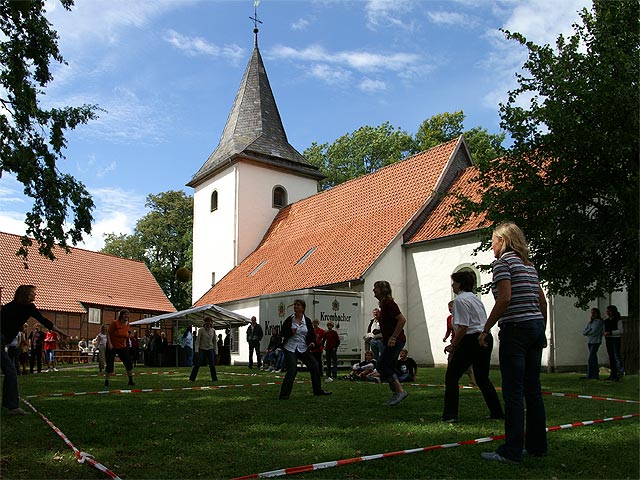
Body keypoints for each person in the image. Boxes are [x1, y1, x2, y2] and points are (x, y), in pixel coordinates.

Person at [479, 222, 547, 465]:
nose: (492, 246)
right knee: (533, 391)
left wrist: (486, 328)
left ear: (503, 241)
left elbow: (505, 297)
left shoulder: (502, 264)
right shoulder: (529, 266)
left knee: (514, 392)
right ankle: (538, 446)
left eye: (494, 241)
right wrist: (543, 330)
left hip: (516, 331)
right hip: (535, 327)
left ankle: (512, 450)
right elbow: (542, 302)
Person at [442, 271, 503, 423]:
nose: (452, 285)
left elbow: (463, 326)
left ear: (460, 284)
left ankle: (450, 415)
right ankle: (496, 411)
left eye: (454, 282)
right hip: (484, 337)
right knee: (482, 378)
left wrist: (453, 345)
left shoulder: (460, 301)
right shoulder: (475, 299)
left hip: (470, 339)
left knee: (452, 377)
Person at [0, 285, 68, 415]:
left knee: (10, 371)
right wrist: (61, 332)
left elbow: (44, 321)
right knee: (11, 371)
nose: (35, 295)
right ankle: (12, 407)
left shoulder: (10, 306)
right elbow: (44, 320)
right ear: (26, 294)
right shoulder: (25, 308)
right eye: (33, 293)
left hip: (2, 341)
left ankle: (11, 405)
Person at [278, 299, 332, 399]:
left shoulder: (307, 321)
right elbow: (282, 333)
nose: (295, 307)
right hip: (290, 348)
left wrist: (312, 342)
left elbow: (311, 334)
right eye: (294, 305)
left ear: (303, 308)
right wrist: (290, 331)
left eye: (298, 305)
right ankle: (284, 394)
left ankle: (317, 390)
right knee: (292, 370)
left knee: (315, 366)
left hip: (303, 347)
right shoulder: (289, 320)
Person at [373, 280, 409, 406]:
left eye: (376, 288)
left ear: (383, 290)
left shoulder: (389, 304)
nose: (374, 290)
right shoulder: (383, 305)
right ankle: (395, 394)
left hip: (396, 341)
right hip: (389, 340)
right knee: (388, 366)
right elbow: (390, 322)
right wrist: (380, 330)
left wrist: (393, 337)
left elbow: (401, 320)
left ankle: (400, 391)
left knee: (382, 365)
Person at [444, 300, 476, 386]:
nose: (450, 309)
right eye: (449, 307)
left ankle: (472, 380)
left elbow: (463, 328)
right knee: (451, 360)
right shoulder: (449, 318)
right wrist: (445, 337)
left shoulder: (462, 317)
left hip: (462, 341)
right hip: (453, 341)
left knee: (465, 361)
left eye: (452, 307)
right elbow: (448, 330)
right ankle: (451, 380)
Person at [104, 309, 136, 387]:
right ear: (121, 315)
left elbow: (125, 335)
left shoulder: (127, 325)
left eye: (127, 314)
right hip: (112, 346)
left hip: (122, 346)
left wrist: (126, 342)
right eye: (124, 314)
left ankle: (131, 380)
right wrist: (109, 344)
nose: (126, 316)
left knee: (128, 362)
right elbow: (108, 333)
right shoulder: (115, 323)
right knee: (110, 363)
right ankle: (107, 381)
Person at [189, 316, 218, 382]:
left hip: (210, 348)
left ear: (211, 323)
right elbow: (198, 341)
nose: (208, 323)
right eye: (206, 322)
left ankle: (214, 379)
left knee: (212, 364)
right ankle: (192, 378)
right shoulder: (201, 330)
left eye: (209, 322)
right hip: (202, 348)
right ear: (204, 323)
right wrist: (196, 350)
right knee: (197, 364)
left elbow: (214, 342)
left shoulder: (213, 331)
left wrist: (216, 352)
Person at [581, 308, 604, 380]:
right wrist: (589, 330)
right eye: (592, 313)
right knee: (593, 358)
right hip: (590, 341)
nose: (593, 314)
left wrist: (589, 331)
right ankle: (594, 375)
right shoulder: (591, 322)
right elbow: (584, 332)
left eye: (594, 313)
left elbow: (594, 332)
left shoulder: (599, 322)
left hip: (596, 341)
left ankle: (590, 375)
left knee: (591, 358)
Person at [603, 305, 624, 381]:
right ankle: (613, 374)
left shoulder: (618, 320)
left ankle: (620, 373)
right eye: (607, 311)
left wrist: (610, 332)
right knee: (611, 357)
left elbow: (621, 331)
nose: (607, 313)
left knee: (617, 356)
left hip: (615, 339)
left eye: (609, 311)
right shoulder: (606, 321)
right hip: (608, 339)